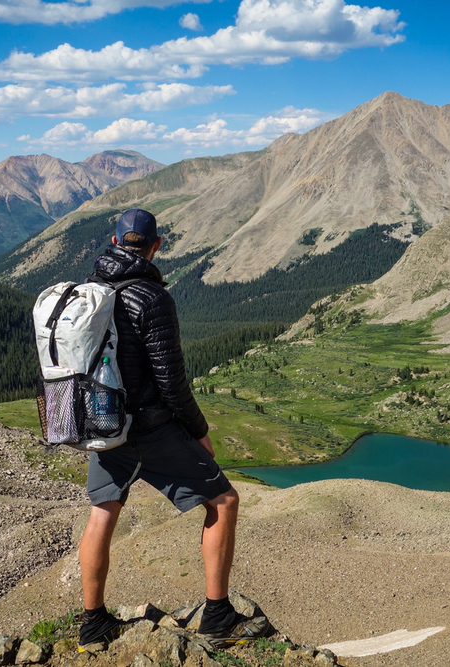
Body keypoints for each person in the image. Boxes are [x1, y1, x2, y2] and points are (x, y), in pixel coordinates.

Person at [76, 208, 270, 648]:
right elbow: (171, 381)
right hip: (149, 428)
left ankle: (93, 623)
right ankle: (218, 616)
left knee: (102, 512)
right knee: (223, 502)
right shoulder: (151, 297)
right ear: (156, 245)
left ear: (113, 241)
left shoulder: (90, 288)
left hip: (104, 423)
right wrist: (199, 430)